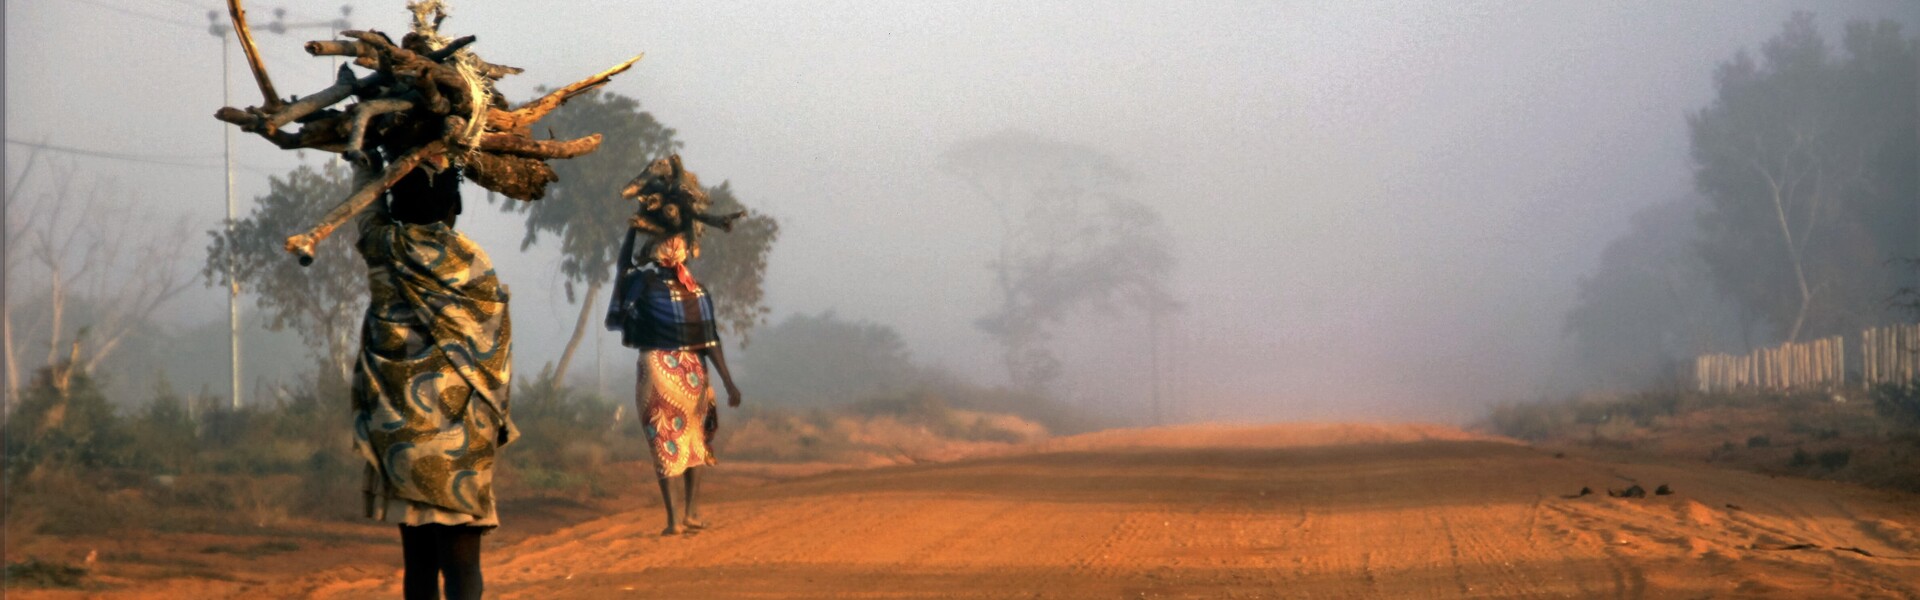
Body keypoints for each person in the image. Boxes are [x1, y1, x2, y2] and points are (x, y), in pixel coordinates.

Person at [352, 166, 517, 600]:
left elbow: (366, 209)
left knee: (419, 565)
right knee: (463, 567)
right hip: (462, 442)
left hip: (401, 437)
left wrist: (365, 162)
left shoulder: (382, 247)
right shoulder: (471, 261)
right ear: (452, 206)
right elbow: (496, 348)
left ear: (395, 205)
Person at [610, 231, 742, 535]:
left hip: (656, 368)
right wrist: (728, 383)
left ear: (655, 255)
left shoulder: (643, 284)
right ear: (684, 254)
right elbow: (710, 341)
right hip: (692, 371)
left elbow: (623, 267)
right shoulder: (697, 291)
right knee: (696, 439)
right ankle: (691, 513)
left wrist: (631, 230)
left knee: (663, 440)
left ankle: (674, 521)